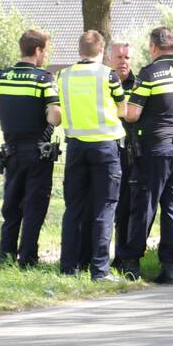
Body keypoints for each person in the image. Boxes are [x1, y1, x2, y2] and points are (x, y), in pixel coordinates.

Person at [117, 27, 173, 284]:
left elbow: (132, 114)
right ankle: (170, 268)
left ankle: (132, 263)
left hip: (156, 148)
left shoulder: (149, 73)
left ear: (154, 46)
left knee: (144, 206)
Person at [0, 29, 61, 268]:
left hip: (11, 152)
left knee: (11, 207)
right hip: (38, 152)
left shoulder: (0, 78)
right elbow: (55, 118)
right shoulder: (44, 79)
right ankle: (27, 260)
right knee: (34, 208)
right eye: (45, 51)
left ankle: (4, 259)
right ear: (37, 50)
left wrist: (6, 109)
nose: (45, 56)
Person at [57, 30, 126, 281]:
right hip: (105, 147)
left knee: (73, 208)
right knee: (104, 208)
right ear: (102, 50)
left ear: (79, 50)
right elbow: (123, 108)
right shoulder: (108, 76)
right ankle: (100, 270)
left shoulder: (62, 75)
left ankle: (68, 268)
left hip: (75, 146)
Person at [77, 40, 138, 270]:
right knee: (94, 208)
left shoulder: (139, 84)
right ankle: (88, 259)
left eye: (127, 58)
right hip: (102, 151)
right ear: (109, 59)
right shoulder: (100, 81)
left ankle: (122, 260)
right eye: (119, 57)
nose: (124, 62)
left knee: (125, 210)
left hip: (130, 154)